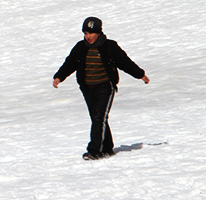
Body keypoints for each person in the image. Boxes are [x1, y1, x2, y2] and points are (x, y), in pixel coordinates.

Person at [52, 17, 150, 160]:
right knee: (98, 118)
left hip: (105, 86)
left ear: (99, 32)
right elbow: (69, 64)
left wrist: (140, 74)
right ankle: (107, 148)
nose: (88, 36)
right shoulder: (80, 47)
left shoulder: (110, 46)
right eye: (85, 33)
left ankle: (94, 151)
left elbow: (125, 63)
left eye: (91, 33)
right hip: (87, 88)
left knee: (99, 118)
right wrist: (59, 77)